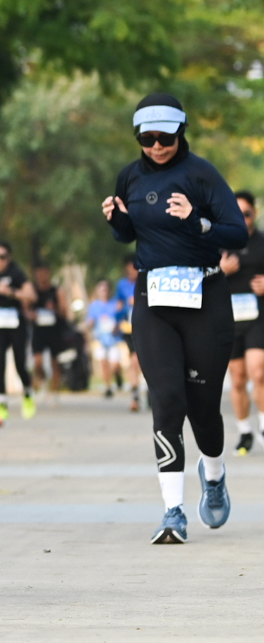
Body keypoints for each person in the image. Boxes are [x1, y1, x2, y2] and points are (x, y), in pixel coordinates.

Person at [102, 92, 247, 544]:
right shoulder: (129, 177)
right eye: (147, 139)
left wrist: (197, 220)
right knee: (166, 401)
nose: (157, 146)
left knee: (203, 409)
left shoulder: (202, 174)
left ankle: (214, 473)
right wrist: (117, 221)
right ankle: (173, 512)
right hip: (154, 300)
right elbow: (130, 235)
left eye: (165, 138)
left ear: (181, 132)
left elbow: (238, 234)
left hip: (206, 297)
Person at [219, 191, 264, 455]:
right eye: (237, 213)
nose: (242, 219)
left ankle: (263, 425)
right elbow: (202, 279)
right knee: (237, 379)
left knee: (258, 371)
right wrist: (221, 271)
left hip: (259, 316)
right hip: (230, 318)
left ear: (254, 214)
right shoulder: (219, 243)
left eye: (246, 214)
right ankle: (245, 431)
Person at [0, 243, 35, 425]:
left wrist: (11, 292)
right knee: (0, 362)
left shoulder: (17, 273)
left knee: (20, 362)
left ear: (9, 257)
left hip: (16, 322)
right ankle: (2, 406)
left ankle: (28, 392)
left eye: (2, 257)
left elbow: (31, 295)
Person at [28, 263, 69, 393]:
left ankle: (54, 392)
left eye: (43, 273)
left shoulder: (57, 291)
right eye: (38, 274)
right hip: (38, 330)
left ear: (48, 273)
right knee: (37, 362)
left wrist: (54, 309)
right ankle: (43, 379)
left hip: (54, 330)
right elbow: (26, 310)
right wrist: (32, 315)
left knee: (55, 362)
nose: (41, 276)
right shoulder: (33, 292)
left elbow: (64, 312)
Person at [86, 280, 128, 399]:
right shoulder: (94, 306)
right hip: (100, 339)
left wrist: (117, 326)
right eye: (101, 290)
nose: (103, 292)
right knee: (104, 363)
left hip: (114, 339)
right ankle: (108, 387)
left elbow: (122, 319)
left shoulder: (115, 305)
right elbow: (90, 320)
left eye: (105, 289)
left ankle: (117, 375)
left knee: (114, 365)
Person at [115, 258, 143, 411]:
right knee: (134, 360)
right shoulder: (122, 285)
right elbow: (119, 305)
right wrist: (117, 319)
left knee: (142, 362)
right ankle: (135, 394)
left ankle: (148, 392)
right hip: (129, 327)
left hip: (145, 326)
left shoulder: (146, 281)